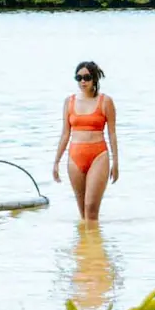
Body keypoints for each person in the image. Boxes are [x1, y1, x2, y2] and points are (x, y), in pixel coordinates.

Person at [52, 61, 119, 221]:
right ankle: (85, 245)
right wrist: (56, 161)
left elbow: (112, 133)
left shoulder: (105, 102)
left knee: (91, 208)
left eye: (87, 77)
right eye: (79, 77)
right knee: (82, 211)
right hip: (75, 157)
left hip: (98, 156)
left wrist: (115, 162)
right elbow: (65, 134)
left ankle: (95, 244)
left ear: (94, 79)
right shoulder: (69, 102)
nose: (83, 81)